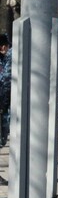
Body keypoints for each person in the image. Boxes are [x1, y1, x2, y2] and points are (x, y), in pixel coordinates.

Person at [0, 33, 11, 186]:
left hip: (5, 108)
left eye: (5, 45)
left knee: (1, 140)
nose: (3, 48)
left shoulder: (8, 61)